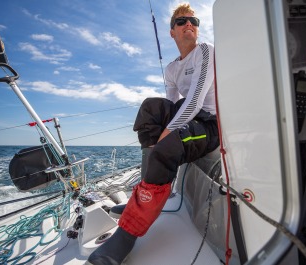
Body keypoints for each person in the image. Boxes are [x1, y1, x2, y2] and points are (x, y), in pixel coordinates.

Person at [86, 3, 219, 264]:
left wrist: (167, 134)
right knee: (150, 107)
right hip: (189, 115)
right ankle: (142, 199)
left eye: (193, 20)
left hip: (210, 124)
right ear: (172, 32)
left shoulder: (206, 51)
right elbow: (171, 106)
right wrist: (164, 127)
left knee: (168, 145)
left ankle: (125, 236)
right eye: (182, 21)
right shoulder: (172, 69)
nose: (189, 24)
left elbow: (194, 101)